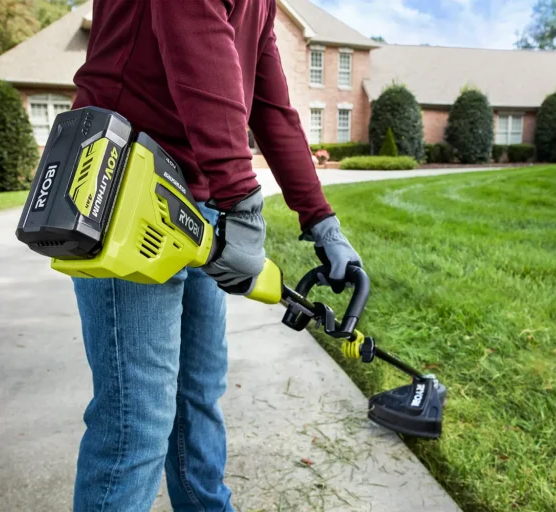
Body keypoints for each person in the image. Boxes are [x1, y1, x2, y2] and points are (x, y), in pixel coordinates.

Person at [70, 0, 361, 510]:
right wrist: (245, 209)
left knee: (197, 395)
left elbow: (268, 105)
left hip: (198, 203)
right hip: (122, 186)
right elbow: (196, 51)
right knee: (134, 423)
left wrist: (320, 219)